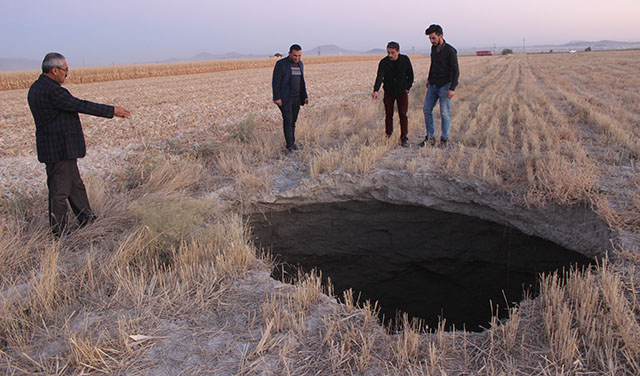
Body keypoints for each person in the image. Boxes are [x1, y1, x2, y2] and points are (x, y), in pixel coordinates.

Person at [27, 52, 131, 237]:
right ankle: (59, 233)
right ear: (54, 70)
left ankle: (87, 220)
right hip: (59, 149)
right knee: (59, 191)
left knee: (76, 185)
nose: (67, 73)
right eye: (65, 70)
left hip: (54, 148)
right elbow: (80, 105)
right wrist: (112, 110)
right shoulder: (53, 91)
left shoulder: (36, 87)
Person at [420, 24, 459, 147]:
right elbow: (433, 65)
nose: (431, 41)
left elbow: (456, 71)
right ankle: (430, 137)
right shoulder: (433, 49)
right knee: (426, 109)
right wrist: (429, 79)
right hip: (433, 85)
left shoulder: (450, 51)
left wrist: (452, 88)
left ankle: (444, 139)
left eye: (433, 38)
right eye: (430, 39)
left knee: (444, 113)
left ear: (440, 36)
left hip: (445, 85)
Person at [373, 41, 414, 147]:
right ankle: (388, 135)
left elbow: (410, 75)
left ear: (398, 51)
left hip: (402, 92)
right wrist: (376, 90)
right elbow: (379, 77)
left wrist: (407, 88)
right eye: (388, 52)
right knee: (388, 115)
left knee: (403, 115)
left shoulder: (405, 60)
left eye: (392, 53)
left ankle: (404, 137)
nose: (390, 55)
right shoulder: (383, 62)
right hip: (389, 92)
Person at [272, 44, 309, 155]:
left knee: (293, 121)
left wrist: (305, 96)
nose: (297, 58)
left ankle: (292, 143)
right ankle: (289, 147)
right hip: (285, 98)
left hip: (297, 98)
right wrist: (277, 97)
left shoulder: (300, 64)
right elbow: (275, 82)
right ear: (289, 53)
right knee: (288, 121)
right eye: (294, 55)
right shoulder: (281, 64)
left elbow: (302, 81)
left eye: (299, 56)